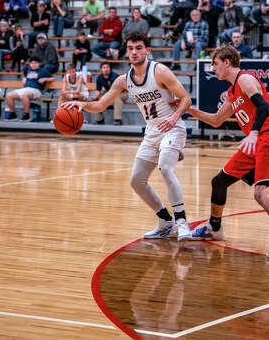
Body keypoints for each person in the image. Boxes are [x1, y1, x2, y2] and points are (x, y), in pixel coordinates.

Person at [63, 31, 193, 240]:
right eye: (131, 48)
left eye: (139, 48)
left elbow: (186, 99)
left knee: (166, 168)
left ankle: (182, 222)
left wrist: (174, 116)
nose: (134, 52)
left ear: (147, 50)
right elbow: (100, 105)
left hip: (173, 127)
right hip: (151, 133)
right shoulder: (123, 80)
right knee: (136, 181)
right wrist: (82, 104)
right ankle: (165, 221)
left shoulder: (160, 71)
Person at [183, 45, 269, 257]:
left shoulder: (245, 79)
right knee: (219, 181)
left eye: (215, 64)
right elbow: (216, 120)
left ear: (227, 62)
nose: (213, 69)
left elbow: (264, 108)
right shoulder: (231, 92)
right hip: (256, 141)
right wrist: (190, 110)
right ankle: (215, 228)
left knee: (261, 194)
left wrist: (253, 133)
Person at [5, 57, 55, 122]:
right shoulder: (28, 70)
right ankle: (12, 115)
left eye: (35, 63)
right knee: (9, 95)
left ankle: (26, 115)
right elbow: (25, 75)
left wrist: (45, 79)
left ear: (38, 64)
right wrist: (24, 78)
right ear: (30, 64)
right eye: (32, 63)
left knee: (25, 95)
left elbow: (53, 78)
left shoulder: (43, 71)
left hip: (36, 90)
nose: (33, 64)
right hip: (26, 88)